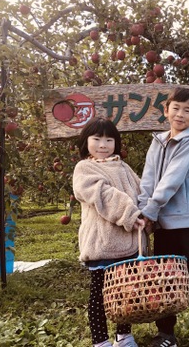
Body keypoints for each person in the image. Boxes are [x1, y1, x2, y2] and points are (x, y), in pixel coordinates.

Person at [138, 87, 189, 347]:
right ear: (166, 110)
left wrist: (150, 209)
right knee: (165, 279)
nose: (180, 114)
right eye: (176, 108)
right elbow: (148, 179)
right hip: (164, 224)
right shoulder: (157, 142)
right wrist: (143, 207)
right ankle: (166, 334)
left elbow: (173, 178)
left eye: (188, 110)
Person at [73, 117, 145, 347]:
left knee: (126, 295)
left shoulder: (123, 167)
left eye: (109, 139)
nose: (103, 144)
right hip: (101, 245)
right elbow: (102, 194)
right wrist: (130, 214)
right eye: (97, 139)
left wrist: (148, 213)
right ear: (86, 142)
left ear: (116, 143)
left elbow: (141, 190)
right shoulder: (84, 168)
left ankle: (123, 336)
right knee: (99, 297)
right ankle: (101, 341)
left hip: (128, 244)